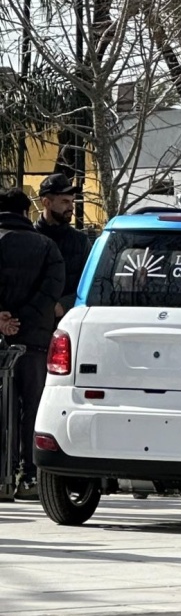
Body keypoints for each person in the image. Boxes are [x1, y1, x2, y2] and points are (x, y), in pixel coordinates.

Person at [0, 187, 65, 499]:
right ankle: (28, 477)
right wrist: (22, 320)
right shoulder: (47, 247)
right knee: (32, 409)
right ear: (27, 212)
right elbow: (51, 291)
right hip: (34, 341)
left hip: (1, 340)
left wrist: (3, 320)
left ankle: (1, 477)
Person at [35, 173, 92, 322]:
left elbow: (90, 284)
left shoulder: (81, 242)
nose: (71, 207)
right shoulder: (26, 238)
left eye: (72, 201)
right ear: (47, 203)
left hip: (67, 324)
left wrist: (63, 305)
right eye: (65, 202)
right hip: (29, 324)